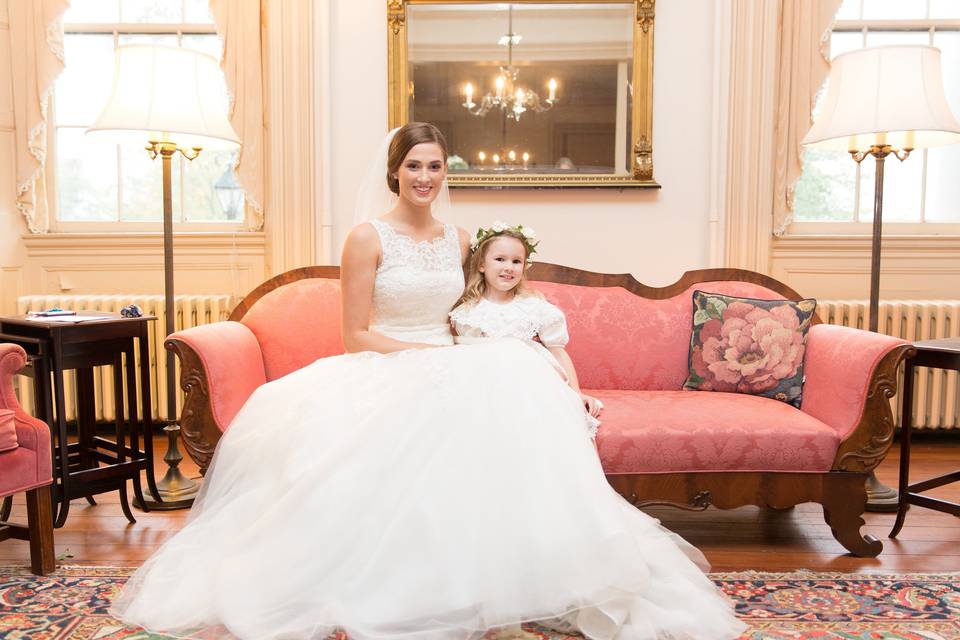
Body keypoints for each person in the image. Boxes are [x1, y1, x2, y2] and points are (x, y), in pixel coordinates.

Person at [112, 122, 746, 640]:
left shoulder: (460, 238)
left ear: (447, 173)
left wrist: (540, 361)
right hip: (385, 362)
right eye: (414, 165)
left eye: (435, 166)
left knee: (517, 410)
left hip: (457, 362)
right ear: (395, 171)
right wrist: (427, 359)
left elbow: (480, 310)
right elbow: (355, 333)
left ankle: (524, 571)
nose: (424, 177)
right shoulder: (366, 238)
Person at [449, 223, 603, 436]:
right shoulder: (468, 312)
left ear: (524, 267)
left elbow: (558, 352)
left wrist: (576, 393)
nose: (509, 267)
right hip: (486, 384)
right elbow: (466, 358)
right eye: (500, 259)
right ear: (482, 265)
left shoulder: (534, 307)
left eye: (516, 261)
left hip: (530, 383)